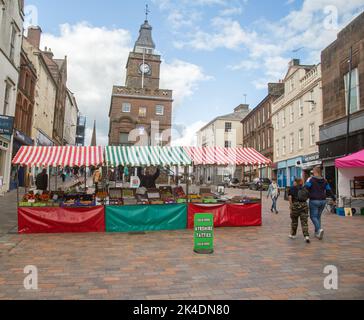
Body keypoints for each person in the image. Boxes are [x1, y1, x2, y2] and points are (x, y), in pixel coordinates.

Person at [305, 166, 336, 240]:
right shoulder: (325, 180)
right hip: (323, 201)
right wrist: (334, 198)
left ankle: (319, 229)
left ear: (315, 172)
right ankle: (317, 233)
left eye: (313, 171)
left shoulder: (311, 180)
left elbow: (306, 188)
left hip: (314, 200)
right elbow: (329, 190)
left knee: (313, 217)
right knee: (318, 217)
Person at [288, 178, 310, 243]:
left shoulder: (292, 188)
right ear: (301, 182)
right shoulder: (305, 188)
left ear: (295, 182)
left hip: (295, 205)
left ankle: (293, 234)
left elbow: (290, 197)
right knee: (304, 222)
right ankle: (306, 236)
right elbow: (308, 196)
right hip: (304, 205)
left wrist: (291, 206)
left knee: (294, 221)